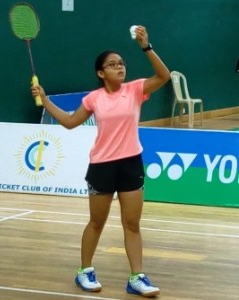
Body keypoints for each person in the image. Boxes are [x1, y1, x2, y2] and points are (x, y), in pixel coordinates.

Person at [32, 25, 170, 298]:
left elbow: (163, 76)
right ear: (100, 73)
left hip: (131, 163)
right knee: (97, 223)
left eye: (121, 63)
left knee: (132, 224)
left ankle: (137, 278)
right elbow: (71, 122)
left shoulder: (135, 90)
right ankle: (84, 270)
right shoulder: (94, 98)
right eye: (112, 65)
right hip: (102, 167)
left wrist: (146, 46)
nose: (119, 67)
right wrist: (45, 101)